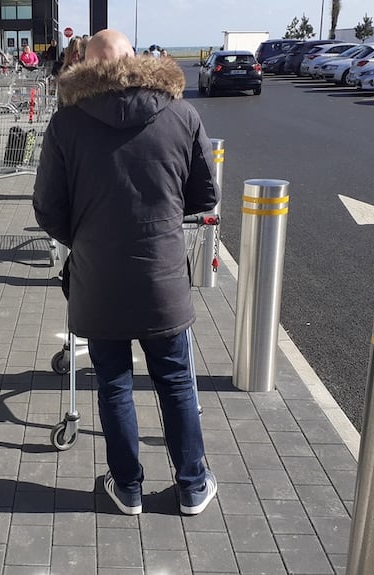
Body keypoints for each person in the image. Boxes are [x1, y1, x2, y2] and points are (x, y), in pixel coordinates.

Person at [33, 29, 220, 516]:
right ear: (136, 61)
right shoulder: (181, 115)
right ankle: (193, 486)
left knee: (113, 384)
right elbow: (205, 196)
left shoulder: (66, 124)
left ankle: (129, 487)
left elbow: (48, 209)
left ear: (85, 67)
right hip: (162, 278)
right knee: (176, 382)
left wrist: (90, 239)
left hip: (99, 281)